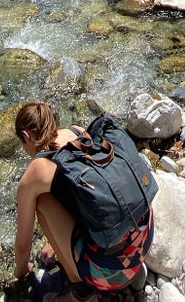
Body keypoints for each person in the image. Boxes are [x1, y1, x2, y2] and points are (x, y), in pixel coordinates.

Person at [13, 102, 154, 302]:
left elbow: (22, 246)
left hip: (114, 271)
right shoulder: (77, 131)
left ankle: (81, 292)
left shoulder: (37, 170)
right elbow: (89, 198)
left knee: (42, 201)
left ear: (26, 136)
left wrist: (20, 275)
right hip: (144, 239)